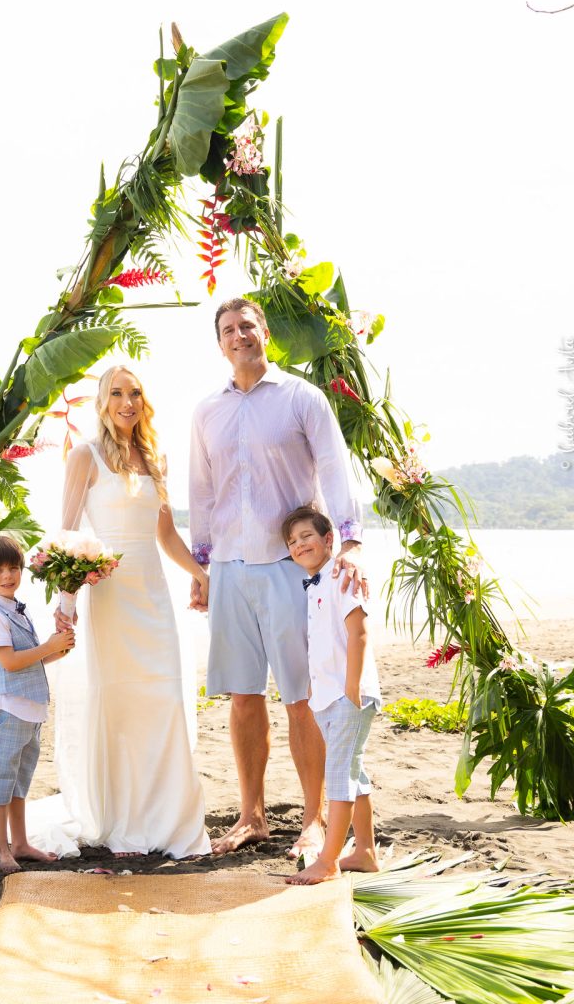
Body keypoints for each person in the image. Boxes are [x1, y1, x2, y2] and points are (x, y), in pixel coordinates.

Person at [189, 298, 368, 859]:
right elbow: (200, 489)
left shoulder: (301, 398)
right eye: (228, 330)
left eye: (247, 326)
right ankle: (252, 816)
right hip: (230, 570)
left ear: (264, 332)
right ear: (219, 343)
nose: (239, 335)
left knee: (303, 698)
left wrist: (351, 540)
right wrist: (202, 565)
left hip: (291, 569)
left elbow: (336, 466)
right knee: (243, 698)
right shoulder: (206, 411)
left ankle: (313, 820)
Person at [53, 365, 212, 858]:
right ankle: (121, 819)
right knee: (119, 703)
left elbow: (164, 535)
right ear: (103, 402)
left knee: (163, 697)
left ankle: (165, 819)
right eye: (117, 393)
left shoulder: (154, 457)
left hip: (153, 593)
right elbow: (69, 533)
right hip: (110, 595)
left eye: (135, 393)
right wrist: (66, 599)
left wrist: (200, 573)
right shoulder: (85, 456)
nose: (127, 401)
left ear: (144, 400)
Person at [282, 506, 381, 884]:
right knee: (354, 773)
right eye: (292, 542)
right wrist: (313, 687)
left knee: (339, 775)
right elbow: (323, 642)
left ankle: (327, 861)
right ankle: (365, 852)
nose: (298, 545)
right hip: (325, 697)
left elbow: (358, 632)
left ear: (328, 539)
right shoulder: (314, 584)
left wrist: (351, 687)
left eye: (306, 536)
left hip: (347, 696)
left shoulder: (341, 576)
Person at [0, 533, 75, 874]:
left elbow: (28, 661)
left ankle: (20, 843)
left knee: (20, 782)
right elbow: (10, 663)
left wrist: (56, 651)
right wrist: (48, 646)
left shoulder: (17, 610)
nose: (7, 575)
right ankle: (1, 849)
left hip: (30, 709)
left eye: (13, 567)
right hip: (8, 708)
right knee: (1, 781)